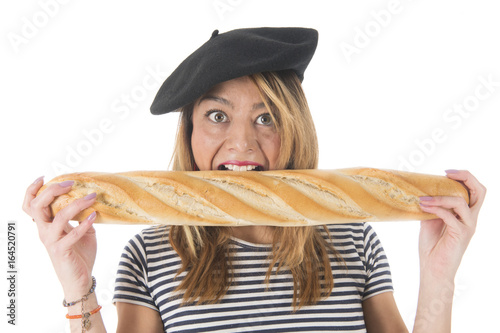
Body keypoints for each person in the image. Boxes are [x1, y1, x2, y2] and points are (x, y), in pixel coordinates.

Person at [23, 27, 486, 333]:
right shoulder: (150, 255)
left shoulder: (351, 238)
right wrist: (76, 281)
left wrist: (439, 274)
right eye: (218, 115)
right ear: (189, 131)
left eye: (266, 118)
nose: (241, 145)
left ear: (295, 129)